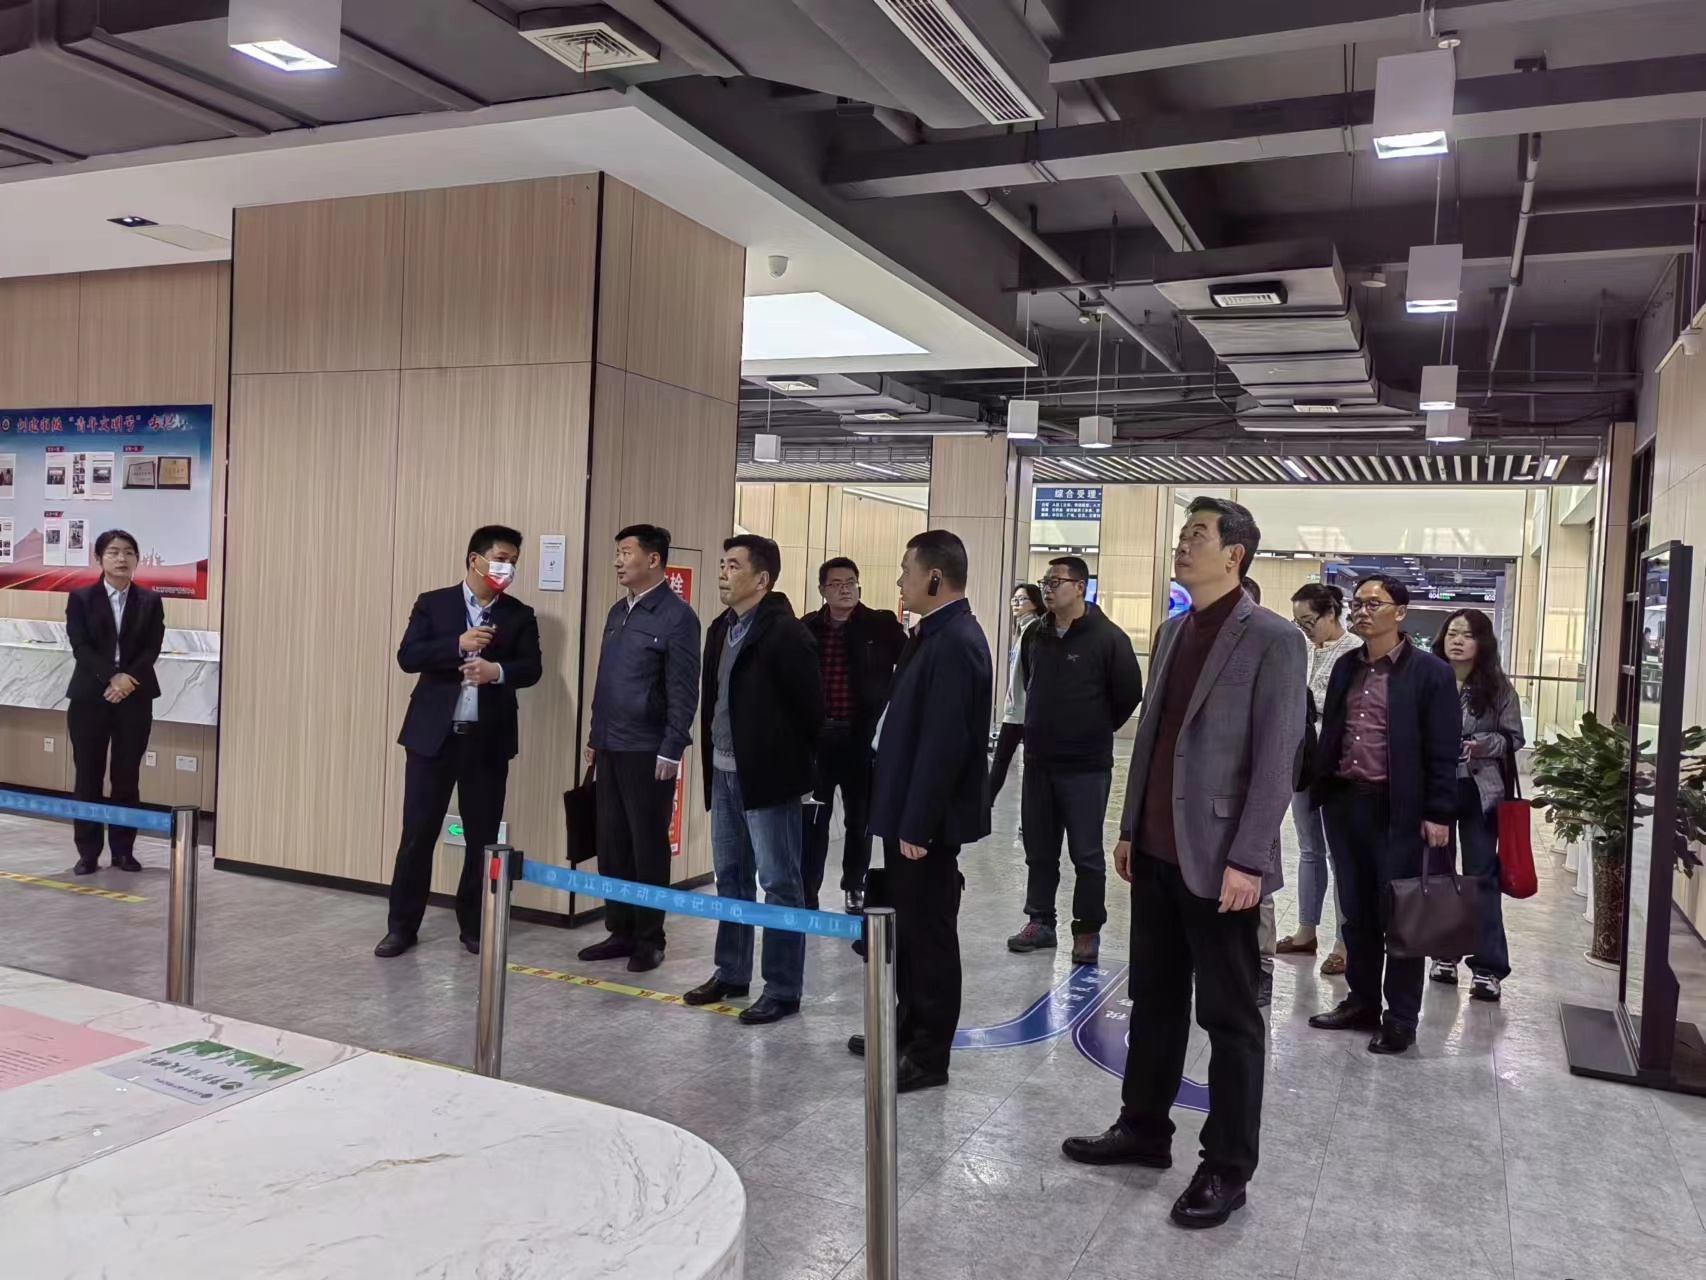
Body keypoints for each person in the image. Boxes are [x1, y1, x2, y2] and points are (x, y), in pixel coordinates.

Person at [1062, 496, 1306, 1231]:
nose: (1182, 544)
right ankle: (1143, 1128)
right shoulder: (1172, 631)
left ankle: (1227, 1166)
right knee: (1156, 1001)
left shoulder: (1273, 639)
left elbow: (1277, 760)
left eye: (1197, 535)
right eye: (1182, 533)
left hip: (1223, 863)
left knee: (1230, 1019)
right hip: (1158, 853)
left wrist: (1250, 860)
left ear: (1234, 553)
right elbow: (1153, 737)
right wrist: (1129, 826)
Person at [846, 530, 993, 1091]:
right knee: (906, 930)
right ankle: (904, 1029)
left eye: (907, 570)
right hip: (904, 808)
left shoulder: (956, 640)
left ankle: (929, 1055)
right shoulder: (930, 632)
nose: (900, 581)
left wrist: (919, 823)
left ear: (935, 577)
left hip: (923, 822)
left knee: (929, 936)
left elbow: (945, 742)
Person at [1307, 574, 1460, 1054]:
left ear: (1401, 612)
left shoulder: (1430, 673)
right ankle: (1362, 1001)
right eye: (1358, 603)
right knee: (1356, 912)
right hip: (1345, 802)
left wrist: (1439, 812)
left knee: (1401, 915)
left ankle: (1400, 1018)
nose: (1362, 611)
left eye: (1374, 603)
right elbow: (1333, 729)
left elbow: (1443, 750)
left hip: (1399, 811)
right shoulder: (1346, 666)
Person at [376, 526, 543, 958]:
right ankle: (401, 928)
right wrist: (458, 644)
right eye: (501, 559)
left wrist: (496, 672)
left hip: (487, 741)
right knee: (417, 834)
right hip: (432, 738)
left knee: (481, 839)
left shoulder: (519, 614)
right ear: (475, 559)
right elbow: (408, 656)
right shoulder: (433, 603)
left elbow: (532, 668)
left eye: (514, 562)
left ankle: (474, 926)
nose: (508, 569)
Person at [684, 535, 823, 1025]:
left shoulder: (786, 634)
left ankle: (783, 988)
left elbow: (811, 712)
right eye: (722, 564)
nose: (723, 573)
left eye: (733, 565)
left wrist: (794, 770)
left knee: (780, 883)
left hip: (768, 780)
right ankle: (732, 970)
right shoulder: (720, 628)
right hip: (723, 775)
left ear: (762, 579)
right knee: (732, 878)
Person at [1009, 555, 1143, 966]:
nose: (1047, 589)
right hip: (1039, 762)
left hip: (1086, 766)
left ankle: (1087, 930)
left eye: (1056, 582)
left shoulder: (1108, 637)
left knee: (1086, 855)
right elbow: (1029, 683)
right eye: (1045, 582)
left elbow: (1128, 694)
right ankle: (1040, 921)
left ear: (1080, 587)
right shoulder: (1035, 634)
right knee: (1039, 850)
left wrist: (1092, 727)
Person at [579, 525, 702, 973]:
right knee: (611, 844)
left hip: (649, 750)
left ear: (653, 560)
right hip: (610, 745)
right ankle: (621, 930)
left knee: (647, 845)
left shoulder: (677, 616)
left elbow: (683, 689)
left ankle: (650, 938)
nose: (618, 561)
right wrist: (594, 736)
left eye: (625, 552)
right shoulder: (618, 611)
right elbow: (606, 681)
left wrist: (673, 747)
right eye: (617, 552)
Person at [801, 556, 906, 913]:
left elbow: (911, 665)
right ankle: (808, 890)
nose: (845, 589)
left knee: (859, 818)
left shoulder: (881, 625)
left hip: (861, 738)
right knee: (814, 818)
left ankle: (854, 885)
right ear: (822, 590)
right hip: (818, 739)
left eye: (850, 583)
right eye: (836, 584)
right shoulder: (807, 628)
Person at [1429, 608, 1523, 1002]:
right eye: (1452, 633)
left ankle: (1488, 967)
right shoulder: (1428, 677)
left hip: (1479, 791)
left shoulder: (1497, 687)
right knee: (1439, 875)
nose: (1457, 641)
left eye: (1467, 635)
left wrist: (1481, 744)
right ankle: (1444, 954)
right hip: (1435, 789)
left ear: (1482, 642)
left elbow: (1514, 737)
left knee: (1482, 876)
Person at [64, 529, 165, 874]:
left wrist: (126, 680)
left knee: (126, 776)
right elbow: (80, 646)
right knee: (88, 776)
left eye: (129, 552)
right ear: (99, 559)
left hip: (134, 697)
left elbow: (151, 647)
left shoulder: (149, 600)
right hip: (90, 697)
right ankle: (88, 852)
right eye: (113, 552)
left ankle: (123, 851)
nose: (122, 558)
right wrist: (111, 677)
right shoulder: (81, 598)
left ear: (137, 558)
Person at [1278, 583, 1363, 976]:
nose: (1304, 628)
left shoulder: (1355, 652)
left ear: (1331, 614)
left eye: (1309, 621)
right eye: (1298, 622)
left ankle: (1345, 942)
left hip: (1337, 764)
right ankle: (1305, 930)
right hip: (1302, 761)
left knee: (1339, 854)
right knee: (1309, 849)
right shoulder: (1303, 649)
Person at [989, 583, 1044, 798]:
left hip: (1023, 711)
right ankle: (986, 805)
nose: (1016, 603)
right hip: (1016, 710)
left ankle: (986, 805)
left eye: (1022, 599)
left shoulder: (1034, 630)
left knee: (1009, 762)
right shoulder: (1024, 630)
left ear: (1035, 603)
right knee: (1004, 761)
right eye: (1014, 599)